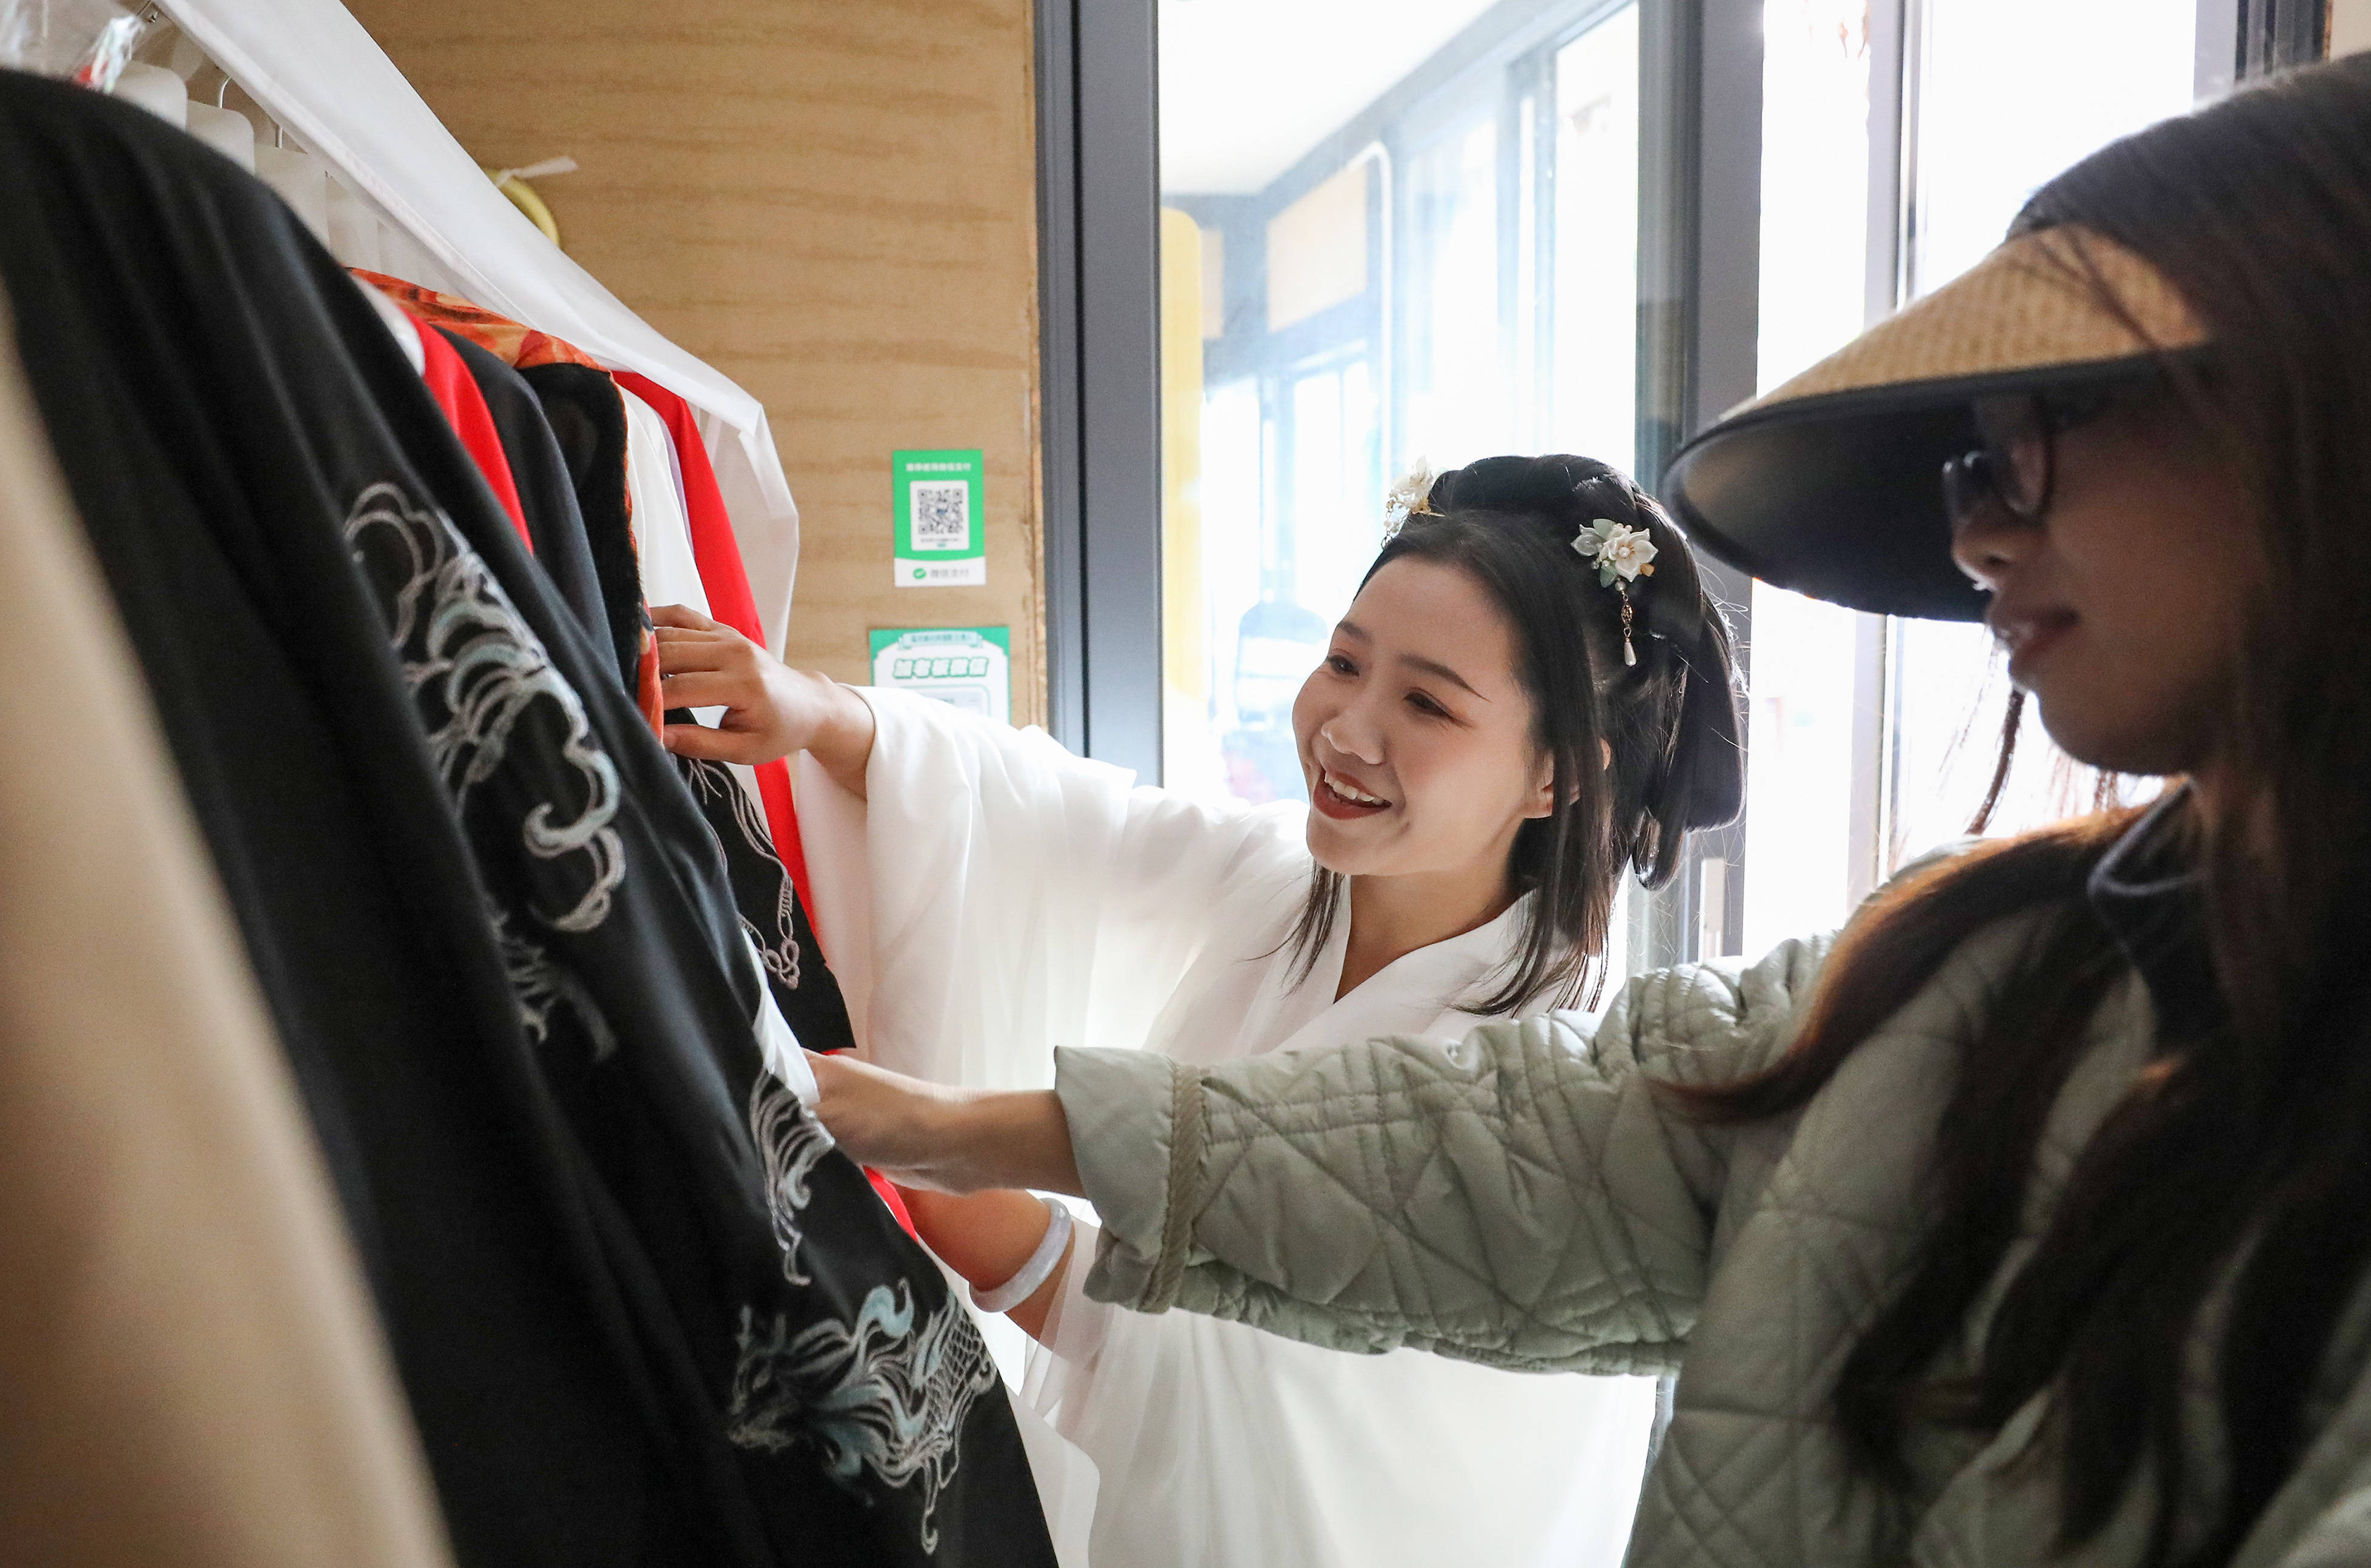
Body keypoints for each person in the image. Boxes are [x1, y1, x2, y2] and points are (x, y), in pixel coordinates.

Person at [804, 55, 2371, 1568]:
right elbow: (1506, 1156)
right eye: (1973, 468)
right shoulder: (1976, 956)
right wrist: (945, 1094)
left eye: (2039, 454)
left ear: (2309, 434)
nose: (1977, 537)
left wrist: (989, 1188)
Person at [651, 454, 1743, 1567]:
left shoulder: (1545, 1085)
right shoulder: (1286, 884)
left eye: (1426, 703)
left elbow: (1309, 1413)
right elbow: (1065, 824)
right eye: (1343, 662)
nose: (1346, 730)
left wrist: (976, 1203)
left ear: (1560, 775)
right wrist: (822, 713)